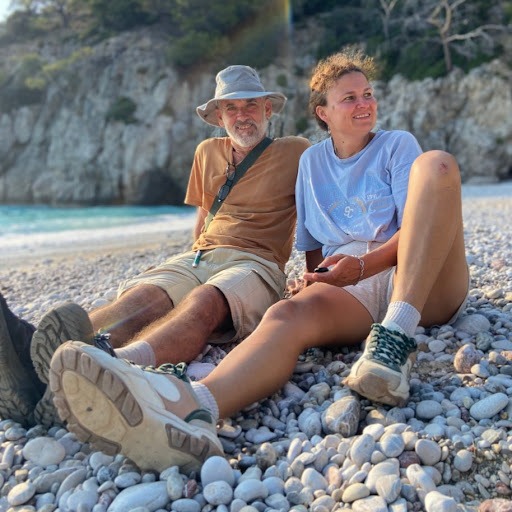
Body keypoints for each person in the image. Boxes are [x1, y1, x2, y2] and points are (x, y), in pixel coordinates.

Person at [49, 48, 469, 473]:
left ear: (268, 109)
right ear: (323, 113)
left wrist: (360, 268)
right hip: (348, 285)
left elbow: (418, 228)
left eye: (368, 94)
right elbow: (311, 243)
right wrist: (316, 278)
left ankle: (395, 337)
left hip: (417, 280)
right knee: (283, 315)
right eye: (350, 98)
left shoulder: (395, 145)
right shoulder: (311, 161)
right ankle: (191, 408)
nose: (364, 104)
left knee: (435, 163)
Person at [0, 65, 310, 428]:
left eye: (250, 105)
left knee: (204, 301)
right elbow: (204, 218)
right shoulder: (207, 152)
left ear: (267, 109)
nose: (242, 116)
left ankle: (111, 368)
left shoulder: (296, 151)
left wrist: (314, 275)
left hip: (255, 262)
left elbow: (317, 216)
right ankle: (40, 361)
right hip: (201, 255)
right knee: (143, 298)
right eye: (232, 108)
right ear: (219, 117)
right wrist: (188, 267)